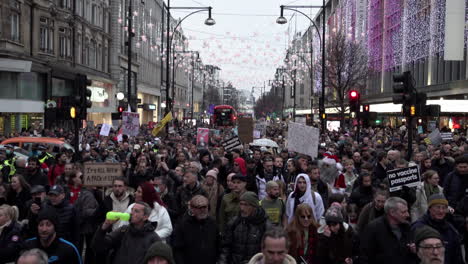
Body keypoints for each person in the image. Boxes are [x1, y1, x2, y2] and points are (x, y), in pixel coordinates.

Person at [92, 201, 161, 264]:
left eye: (136, 211)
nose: (131, 213)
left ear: (145, 217)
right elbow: (98, 246)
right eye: (132, 210)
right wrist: (105, 226)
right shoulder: (123, 231)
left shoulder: (153, 238)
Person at [360, 197, 418, 264]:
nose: (407, 215)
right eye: (403, 212)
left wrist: (415, 251)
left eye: (407, 211)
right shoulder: (373, 228)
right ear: (392, 212)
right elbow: (365, 257)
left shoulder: (408, 227)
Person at [412, 194, 463, 264]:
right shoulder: (418, 227)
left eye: (444, 208)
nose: (441, 211)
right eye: (437, 207)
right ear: (430, 208)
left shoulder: (451, 229)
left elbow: (457, 257)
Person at [219, 192, 269, 264]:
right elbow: (226, 247)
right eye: (241, 204)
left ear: (254, 206)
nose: (242, 208)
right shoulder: (234, 222)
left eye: (246, 205)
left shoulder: (265, 225)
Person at [173, 195, 220, 264]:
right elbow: (177, 249)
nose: (202, 210)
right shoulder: (182, 226)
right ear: (192, 208)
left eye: (204, 207)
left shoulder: (213, 224)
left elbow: (218, 246)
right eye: (199, 207)